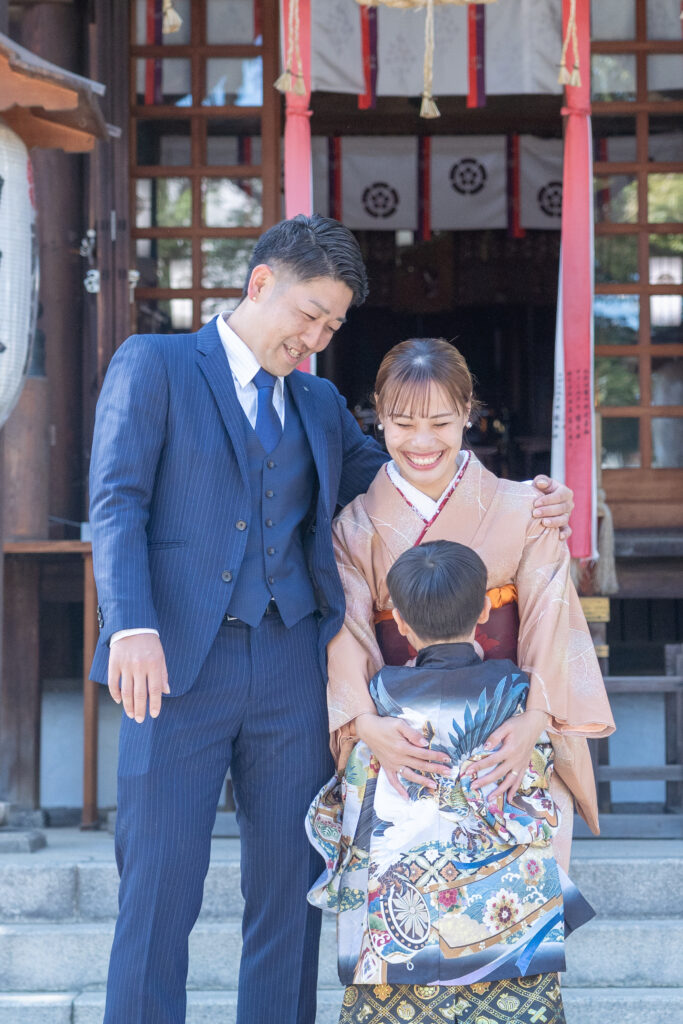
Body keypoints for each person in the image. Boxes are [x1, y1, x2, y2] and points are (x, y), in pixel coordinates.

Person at [88, 217, 574, 1024]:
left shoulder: (315, 402)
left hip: (290, 671)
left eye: (333, 325)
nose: (316, 337)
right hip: (175, 665)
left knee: (288, 890)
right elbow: (117, 501)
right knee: (157, 887)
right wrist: (130, 623)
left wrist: (529, 498)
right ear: (259, 283)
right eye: (308, 314)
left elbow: (410, 480)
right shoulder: (157, 364)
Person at [326, 338, 615, 877]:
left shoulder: (528, 508)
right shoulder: (355, 526)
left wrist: (535, 720)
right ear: (378, 418)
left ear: (466, 413)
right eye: (403, 423)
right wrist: (365, 725)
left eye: (440, 421)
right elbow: (349, 634)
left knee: (511, 917)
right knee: (403, 920)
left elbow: (550, 619)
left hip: (510, 746)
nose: (422, 441)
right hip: (402, 747)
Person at [307, 540, 595, 1024]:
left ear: (397, 621)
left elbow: (357, 810)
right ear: (486, 609)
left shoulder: (378, 708)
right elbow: (542, 802)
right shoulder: (522, 702)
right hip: (504, 915)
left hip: (403, 924)